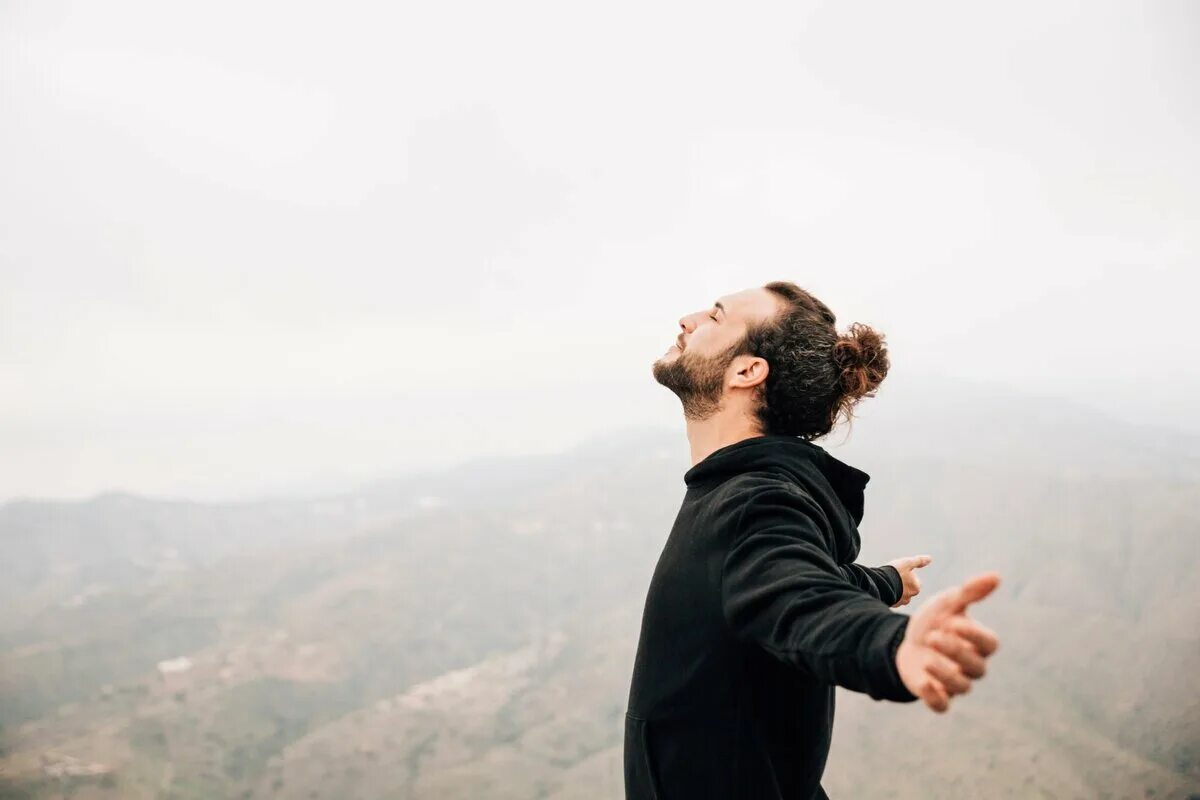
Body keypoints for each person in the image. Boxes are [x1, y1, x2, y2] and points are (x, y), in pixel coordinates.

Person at [625, 281, 1001, 800]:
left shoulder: (751, 503)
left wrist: (891, 645)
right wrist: (883, 581)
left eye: (715, 316)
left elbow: (801, 600)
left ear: (747, 371)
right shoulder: (750, 492)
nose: (687, 319)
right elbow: (779, 579)